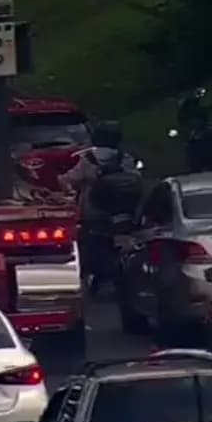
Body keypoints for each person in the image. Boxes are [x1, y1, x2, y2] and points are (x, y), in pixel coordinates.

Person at [60, 121, 142, 294]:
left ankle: (93, 279)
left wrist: (63, 182)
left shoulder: (88, 158)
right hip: (122, 212)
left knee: (89, 246)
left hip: (93, 212)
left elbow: (71, 179)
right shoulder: (124, 158)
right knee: (124, 245)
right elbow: (136, 178)